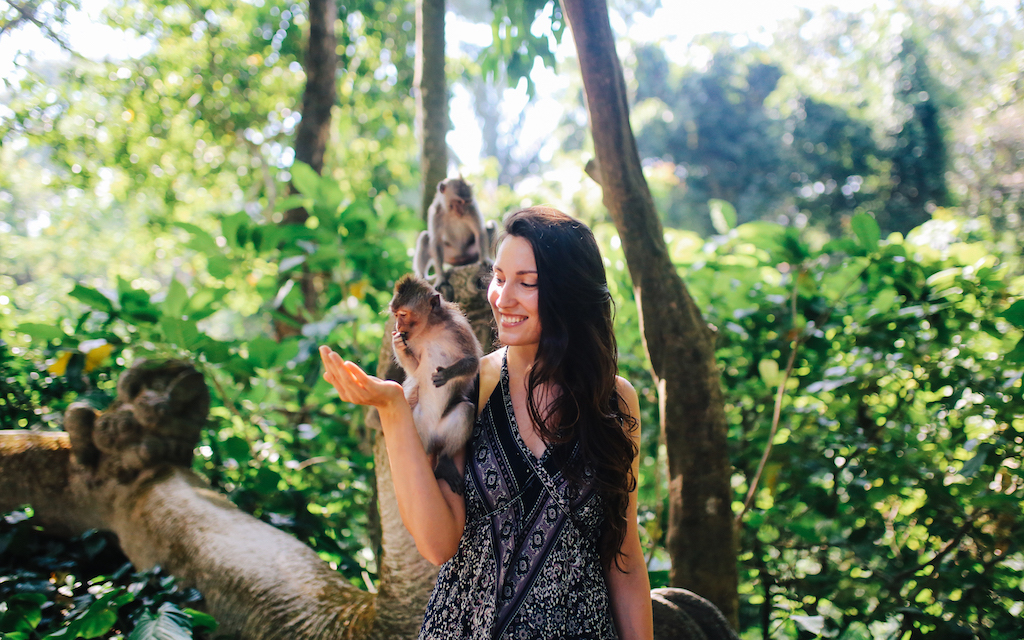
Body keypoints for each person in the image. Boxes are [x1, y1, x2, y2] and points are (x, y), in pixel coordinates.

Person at [319, 206, 653, 639]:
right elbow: (438, 542)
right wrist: (393, 410)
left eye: (527, 283)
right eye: (498, 278)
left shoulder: (613, 399)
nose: (502, 297)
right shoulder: (470, 386)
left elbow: (622, 554)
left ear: (568, 291)